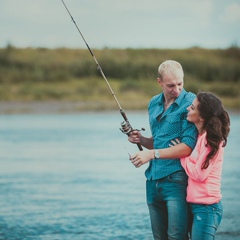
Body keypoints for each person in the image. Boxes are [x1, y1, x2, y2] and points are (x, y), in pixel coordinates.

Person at [128, 60, 198, 240]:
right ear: (160, 82)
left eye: (180, 84)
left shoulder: (191, 103)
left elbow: (188, 147)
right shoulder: (153, 103)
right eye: (171, 85)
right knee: (159, 237)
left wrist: (151, 154)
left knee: (177, 236)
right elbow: (159, 142)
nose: (177, 89)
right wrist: (142, 140)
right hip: (152, 179)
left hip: (176, 178)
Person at [173, 92, 230, 240]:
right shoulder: (200, 137)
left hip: (207, 208)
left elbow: (199, 174)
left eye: (192, 108)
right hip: (195, 205)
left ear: (202, 117)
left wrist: (182, 156)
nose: (187, 110)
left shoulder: (211, 141)